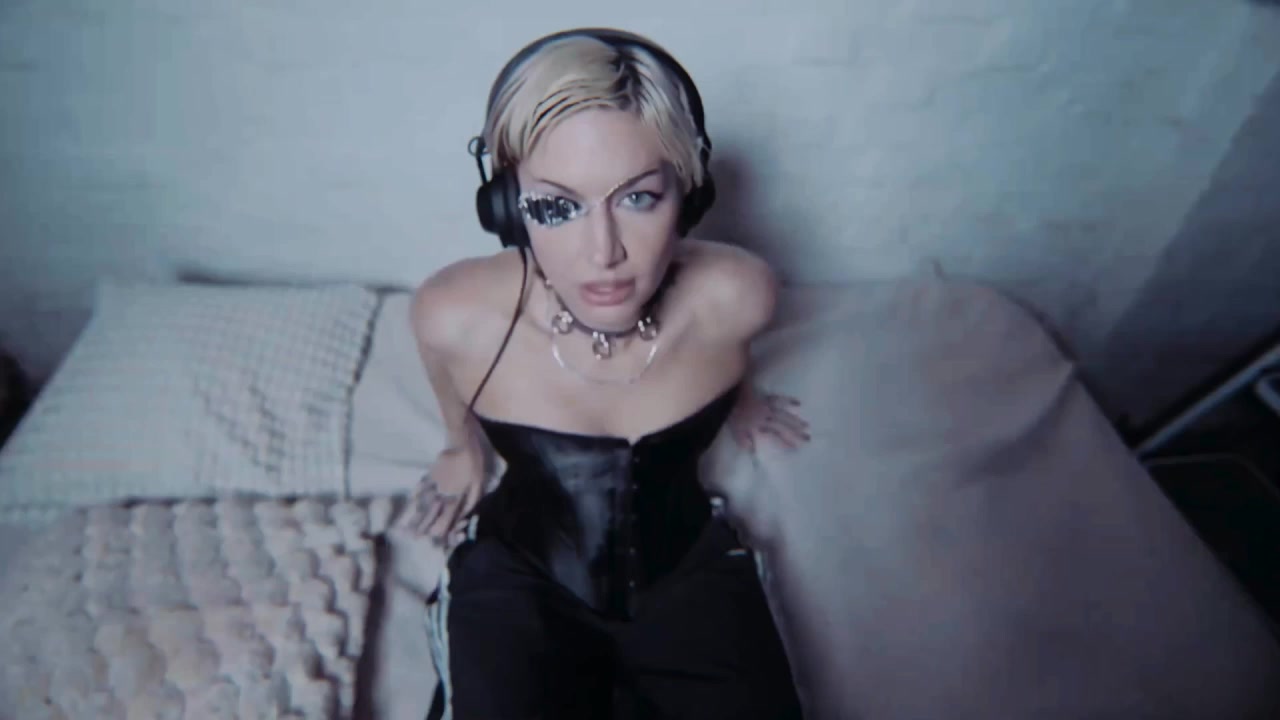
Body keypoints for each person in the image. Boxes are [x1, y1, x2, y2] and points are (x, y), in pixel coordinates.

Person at [401, 27, 810, 719]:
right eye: (556, 207)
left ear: (689, 194)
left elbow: (734, 351)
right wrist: (458, 447)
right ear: (506, 210)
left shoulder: (740, 296)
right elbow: (443, 366)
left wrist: (743, 402)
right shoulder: (455, 315)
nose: (603, 252)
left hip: (689, 566)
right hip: (519, 574)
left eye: (638, 198)